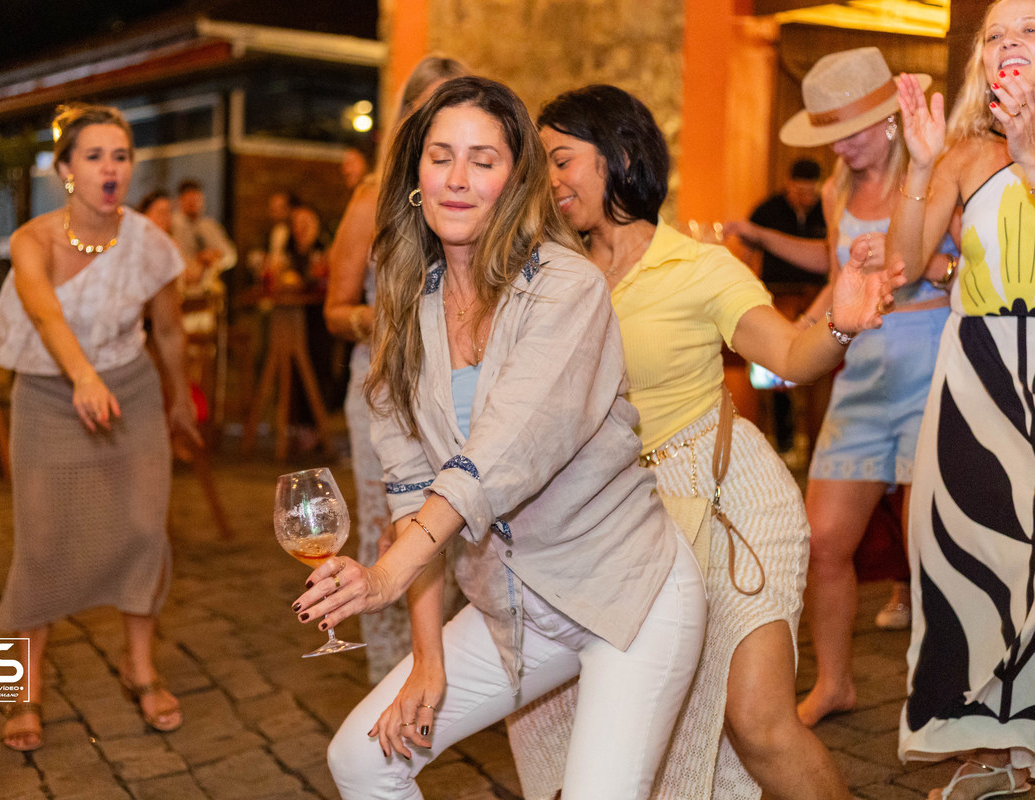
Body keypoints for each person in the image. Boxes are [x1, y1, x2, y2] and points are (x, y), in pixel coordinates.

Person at [296, 74, 708, 800]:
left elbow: (493, 460)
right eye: (441, 157)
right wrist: (428, 659)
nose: (457, 179)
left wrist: (385, 577)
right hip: (512, 608)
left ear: (516, 181)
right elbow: (411, 492)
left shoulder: (566, 288)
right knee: (363, 760)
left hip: (627, 598)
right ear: (416, 175)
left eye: (482, 161)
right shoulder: (405, 307)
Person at [503, 84, 902, 800]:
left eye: (561, 160)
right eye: (543, 164)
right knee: (587, 730)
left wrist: (839, 325)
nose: (549, 179)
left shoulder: (697, 266)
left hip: (726, 501)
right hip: (621, 520)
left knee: (758, 722)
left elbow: (789, 355)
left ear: (621, 157)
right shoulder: (554, 276)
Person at [0, 103, 202, 752]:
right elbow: (44, 313)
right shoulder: (33, 240)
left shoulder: (150, 242)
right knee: (42, 541)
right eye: (95, 155)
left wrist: (181, 400)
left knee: (144, 528)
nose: (111, 168)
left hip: (130, 391)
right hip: (50, 394)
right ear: (66, 169)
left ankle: (141, 666)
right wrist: (80, 376)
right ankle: (25, 686)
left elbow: (167, 329)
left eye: (121, 156)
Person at [780, 48, 955, 728]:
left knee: (929, 545)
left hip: (928, 361)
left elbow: (973, 269)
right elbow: (838, 282)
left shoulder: (935, 171)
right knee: (823, 540)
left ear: (886, 120)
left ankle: (945, 691)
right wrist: (799, 332)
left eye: (849, 130)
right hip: (861, 374)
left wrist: (926, 264)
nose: (840, 148)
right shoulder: (835, 192)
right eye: (829, 134)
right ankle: (834, 683)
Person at [886, 1, 1035, 794]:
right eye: (997, 35)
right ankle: (997, 746)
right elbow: (906, 265)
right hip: (977, 375)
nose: (1010, 43)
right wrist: (919, 166)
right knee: (968, 559)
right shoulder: (966, 152)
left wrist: (1030, 154)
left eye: (1030, 29)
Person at [325, 54, 470, 683]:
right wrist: (386, 321)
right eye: (428, 105)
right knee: (390, 528)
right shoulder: (371, 199)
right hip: (386, 386)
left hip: (462, 389)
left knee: (459, 523)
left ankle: (450, 669)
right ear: (408, 114)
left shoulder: (476, 198)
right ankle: (390, 674)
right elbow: (334, 310)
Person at [726, 158, 830, 460]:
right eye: (800, 191)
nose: (806, 197)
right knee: (775, 371)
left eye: (811, 192)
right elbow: (745, 257)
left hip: (817, 299)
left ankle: (816, 447)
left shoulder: (827, 209)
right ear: (788, 185)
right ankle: (781, 443)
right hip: (778, 300)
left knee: (819, 370)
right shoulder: (766, 211)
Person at [171, 178, 237, 286]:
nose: (194, 205)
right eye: (190, 201)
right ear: (180, 201)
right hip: (181, 282)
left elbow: (231, 255)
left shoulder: (209, 226)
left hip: (206, 284)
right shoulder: (172, 224)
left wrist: (215, 258)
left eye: (197, 200)